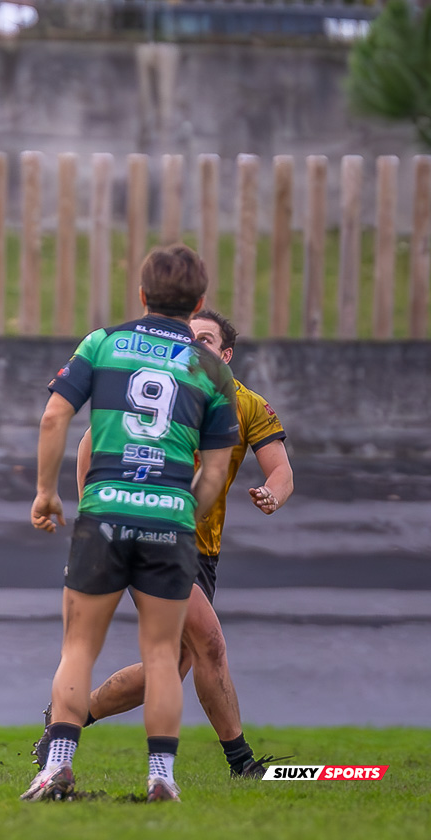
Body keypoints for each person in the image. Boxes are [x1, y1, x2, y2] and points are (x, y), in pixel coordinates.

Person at [21, 245, 240, 803]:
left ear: (142, 296)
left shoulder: (103, 343)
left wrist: (47, 492)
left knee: (78, 648)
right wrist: (183, 509)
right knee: (165, 654)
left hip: (106, 512)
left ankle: (57, 768)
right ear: (198, 302)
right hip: (168, 518)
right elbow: (216, 466)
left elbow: (54, 415)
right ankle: (161, 776)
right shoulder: (212, 368)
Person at [35, 308, 295, 778]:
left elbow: (281, 469)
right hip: (155, 532)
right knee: (210, 643)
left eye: (207, 341)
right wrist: (90, 509)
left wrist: (272, 493)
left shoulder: (245, 403)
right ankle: (242, 764)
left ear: (226, 354)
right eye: (190, 336)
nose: (195, 347)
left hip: (203, 550)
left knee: (176, 663)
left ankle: (66, 721)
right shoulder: (162, 383)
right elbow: (90, 442)